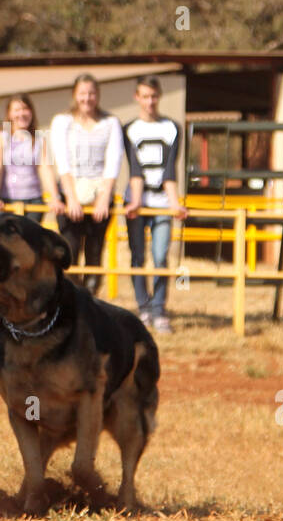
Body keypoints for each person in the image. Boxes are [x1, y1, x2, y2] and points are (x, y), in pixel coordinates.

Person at [122, 76, 186, 332]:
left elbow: (170, 169)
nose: (150, 102)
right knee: (138, 256)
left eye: (154, 96)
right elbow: (134, 168)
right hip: (137, 201)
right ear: (137, 97)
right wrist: (136, 201)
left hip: (161, 202)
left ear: (159, 97)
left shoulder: (172, 128)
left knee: (160, 256)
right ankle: (143, 308)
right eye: (145, 96)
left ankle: (159, 309)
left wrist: (175, 203)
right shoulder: (128, 129)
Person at [50, 74, 124, 295]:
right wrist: (71, 198)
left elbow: (113, 162)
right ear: (75, 94)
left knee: (94, 253)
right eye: (82, 93)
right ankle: (72, 298)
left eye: (91, 93)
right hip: (70, 195)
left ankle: (91, 301)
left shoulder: (110, 123)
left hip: (100, 196)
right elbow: (62, 161)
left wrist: (104, 198)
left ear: (98, 95)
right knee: (69, 252)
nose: (87, 98)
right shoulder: (62, 121)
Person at [0, 93, 62, 223]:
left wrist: (55, 197)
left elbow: (45, 169)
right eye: (17, 110)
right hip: (8, 199)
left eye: (25, 109)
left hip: (34, 200)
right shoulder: (1, 138)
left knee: (29, 241)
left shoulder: (38, 139)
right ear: (9, 114)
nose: (22, 114)